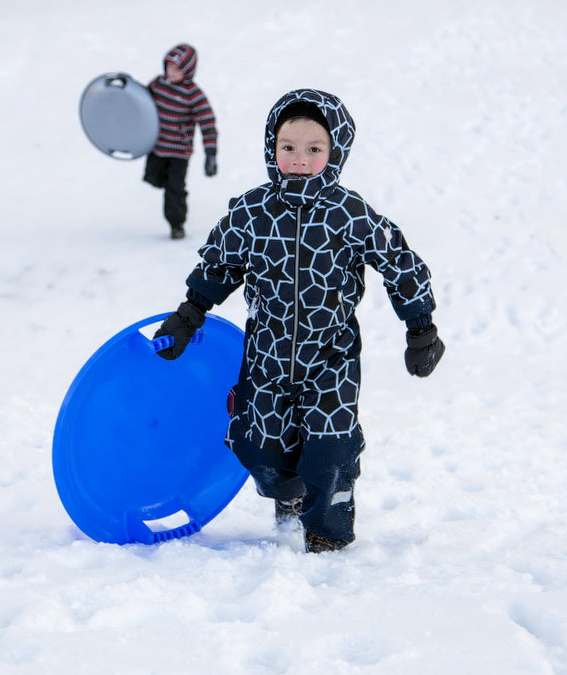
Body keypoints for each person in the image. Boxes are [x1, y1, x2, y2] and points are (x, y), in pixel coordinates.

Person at [152, 88, 445, 553]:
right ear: (273, 149)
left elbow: (400, 262)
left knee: (330, 448)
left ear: (335, 152)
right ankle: (288, 495)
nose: (300, 160)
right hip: (266, 354)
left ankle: (326, 531)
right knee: (259, 448)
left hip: (330, 356)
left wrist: (420, 327)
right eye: (288, 148)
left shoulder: (350, 214)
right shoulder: (252, 212)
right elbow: (219, 266)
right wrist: (188, 315)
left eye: (314, 149)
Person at [144, 43, 218, 240]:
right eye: (168, 66)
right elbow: (141, 101)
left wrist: (210, 153)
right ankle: (167, 187)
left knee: (174, 188)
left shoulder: (193, 94)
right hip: (157, 147)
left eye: (177, 69)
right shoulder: (158, 84)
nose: (171, 72)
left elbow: (207, 123)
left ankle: (177, 224)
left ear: (188, 71)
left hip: (179, 152)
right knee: (153, 178)